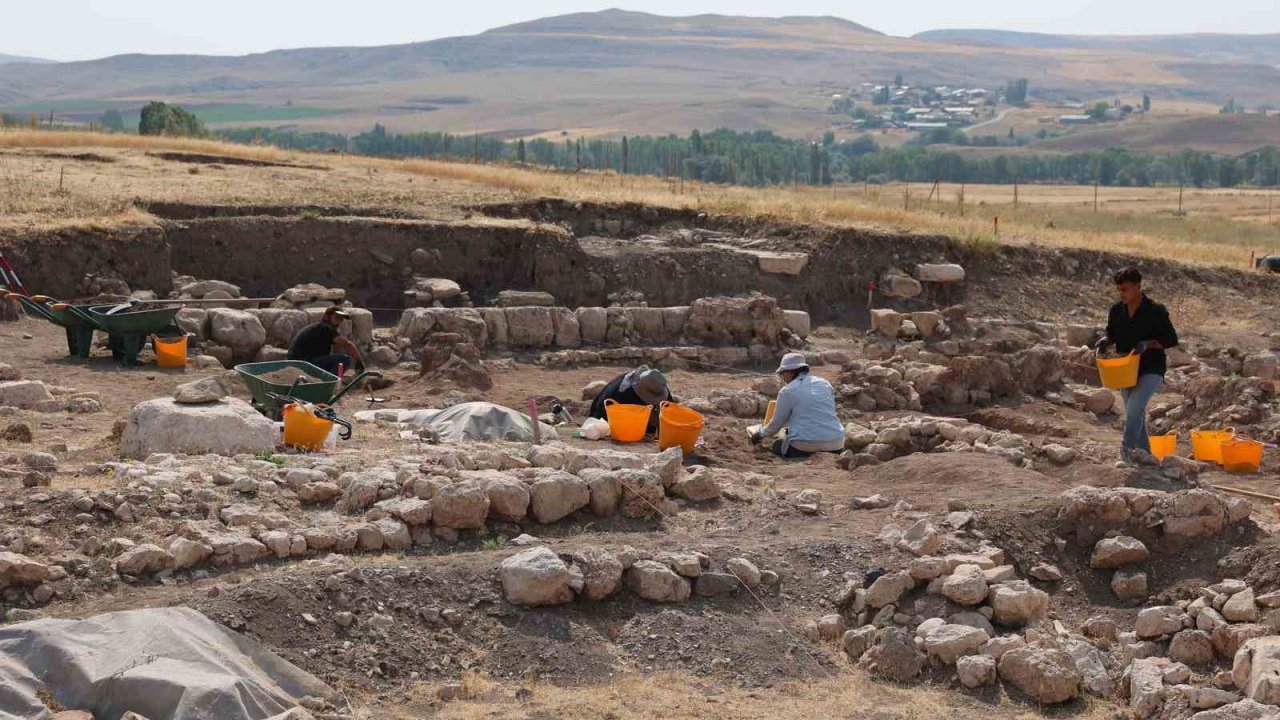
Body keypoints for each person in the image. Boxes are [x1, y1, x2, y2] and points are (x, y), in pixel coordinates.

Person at [1094, 267, 1179, 463]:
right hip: (1125, 368)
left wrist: (1149, 344)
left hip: (1151, 367)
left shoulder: (1156, 310)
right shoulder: (1117, 310)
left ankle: (1126, 451)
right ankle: (1145, 455)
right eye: (1119, 290)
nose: (1121, 294)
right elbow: (1112, 334)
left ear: (1138, 287)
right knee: (1135, 411)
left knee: (1133, 409)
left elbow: (1170, 339)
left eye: (1125, 289)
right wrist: (1106, 340)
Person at [750, 352, 844, 458]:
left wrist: (760, 434)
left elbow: (777, 423)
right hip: (836, 444)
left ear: (789, 373)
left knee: (777, 445)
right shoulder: (824, 383)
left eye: (782, 374)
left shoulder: (787, 391)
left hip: (804, 447)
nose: (782, 378)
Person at [587, 365, 673, 434]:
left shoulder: (654, 383)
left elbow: (670, 407)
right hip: (602, 419)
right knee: (649, 429)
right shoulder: (626, 393)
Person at [287, 307, 365, 377]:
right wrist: (359, 362)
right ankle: (331, 381)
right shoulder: (325, 329)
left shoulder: (318, 328)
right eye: (337, 318)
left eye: (341, 319)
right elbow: (348, 345)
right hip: (302, 365)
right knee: (344, 359)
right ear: (327, 317)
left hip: (298, 364)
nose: (339, 322)